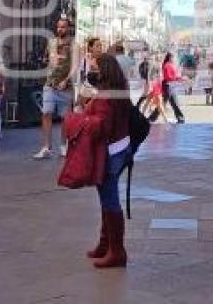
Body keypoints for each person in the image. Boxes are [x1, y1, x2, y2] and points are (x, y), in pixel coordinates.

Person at [82, 54, 133, 269]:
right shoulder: (118, 91)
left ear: (104, 71)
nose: (91, 71)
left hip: (110, 152)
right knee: (106, 197)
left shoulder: (105, 97)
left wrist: (80, 118)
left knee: (109, 198)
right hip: (122, 148)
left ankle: (117, 251)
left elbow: (101, 126)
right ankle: (106, 245)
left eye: (94, 68)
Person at [34, 18, 74, 160]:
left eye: (63, 27)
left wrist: (67, 79)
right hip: (50, 84)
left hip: (66, 87)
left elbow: (76, 66)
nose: (60, 29)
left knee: (65, 118)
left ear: (68, 28)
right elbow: (47, 60)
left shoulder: (74, 44)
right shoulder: (51, 43)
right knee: (46, 113)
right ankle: (46, 147)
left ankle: (63, 145)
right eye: (58, 27)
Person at [161, 53, 185, 124]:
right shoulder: (167, 65)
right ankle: (151, 118)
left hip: (170, 86)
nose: (174, 59)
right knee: (162, 104)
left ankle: (180, 118)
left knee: (174, 103)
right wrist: (179, 78)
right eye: (173, 57)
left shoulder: (170, 65)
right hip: (168, 86)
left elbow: (173, 76)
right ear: (170, 58)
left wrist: (179, 78)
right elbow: (168, 77)